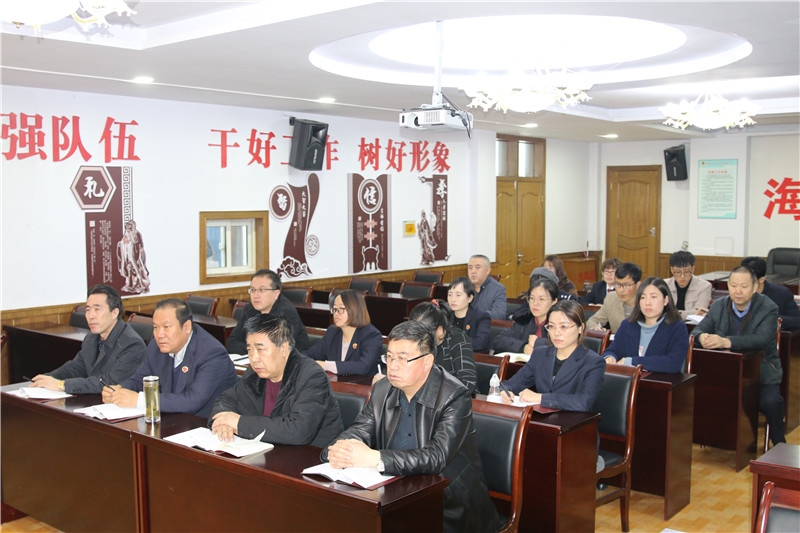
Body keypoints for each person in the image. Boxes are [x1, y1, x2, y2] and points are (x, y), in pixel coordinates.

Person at [322, 320, 500, 533]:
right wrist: (337, 450)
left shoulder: (454, 396)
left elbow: (436, 457)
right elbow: (359, 429)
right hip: (396, 493)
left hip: (447, 503)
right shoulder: (382, 389)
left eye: (403, 358)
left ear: (427, 362)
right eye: (389, 357)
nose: (393, 366)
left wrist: (375, 458)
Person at [209, 314, 344, 447]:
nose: (254, 358)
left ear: (283, 349)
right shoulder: (254, 373)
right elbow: (225, 400)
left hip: (311, 455)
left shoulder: (312, 376)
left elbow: (298, 430)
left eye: (260, 349)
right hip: (268, 450)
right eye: (250, 350)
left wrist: (239, 423)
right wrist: (223, 422)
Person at [692, 266, 784, 446]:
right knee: (701, 394)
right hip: (726, 374)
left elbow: (762, 339)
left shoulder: (768, 307)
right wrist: (702, 337)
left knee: (772, 402)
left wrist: (726, 342)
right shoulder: (719, 305)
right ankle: (713, 438)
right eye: (733, 286)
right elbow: (697, 331)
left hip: (761, 373)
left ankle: (779, 444)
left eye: (744, 286)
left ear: (755, 287)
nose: (738, 291)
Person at [102, 298, 238, 418]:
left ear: (187, 327)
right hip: (172, 420)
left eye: (166, 327)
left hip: (206, 426)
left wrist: (140, 400)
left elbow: (192, 401)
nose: (159, 334)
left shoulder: (212, 353)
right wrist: (119, 390)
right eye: (155, 327)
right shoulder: (156, 346)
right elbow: (140, 379)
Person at [30, 284, 145, 393]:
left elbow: (111, 382)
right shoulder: (92, 337)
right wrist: (48, 378)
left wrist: (61, 385)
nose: (91, 316)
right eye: (88, 310)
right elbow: (76, 368)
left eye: (97, 309)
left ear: (114, 313)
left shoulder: (132, 344)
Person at [500, 300, 605, 411]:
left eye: (563, 327)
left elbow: (583, 402)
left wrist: (541, 398)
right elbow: (513, 383)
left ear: (580, 328)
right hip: (541, 418)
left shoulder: (593, 362)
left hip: (575, 420)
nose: (556, 333)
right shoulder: (540, 354)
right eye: (551, 326)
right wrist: (505, 391)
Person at [603, 277, 690, 373]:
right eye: (643, 297)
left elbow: (673, 363)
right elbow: (612, 350)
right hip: (628, 380)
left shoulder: (677, 328)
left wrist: (633, 362)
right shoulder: (628, 325)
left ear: (665, 300)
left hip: (658, 381)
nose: (647, 303)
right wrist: (610, 357)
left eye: (653, 297)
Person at [227, 269, 310, 354]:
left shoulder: (286, 312)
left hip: (293, 359)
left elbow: (277, 350)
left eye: (262, 290)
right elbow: (232, 342)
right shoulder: (249, 309)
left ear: (276, 294)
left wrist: (252, 349)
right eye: (253, 290)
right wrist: (253, 350)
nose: (256, 295)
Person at [305, 289, 383, 376]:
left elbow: (364, 366)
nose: (336, 313)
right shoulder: (333, 332)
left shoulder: (371, 335)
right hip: (335, 383)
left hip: (361, 383)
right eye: (334, 309)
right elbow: (308, 355)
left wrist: (326, 365)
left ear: (355, 310)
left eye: (341, 309)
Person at [406, 300, 478, 393]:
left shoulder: (458, 339)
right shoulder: (411, 341)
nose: (417, 340)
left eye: (422, 335)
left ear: (439, 330)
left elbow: (468, 383)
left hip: (455, 398)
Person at [494, 277, 558, 355]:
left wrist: (537, 342)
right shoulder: (524, 319)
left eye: (541, 299)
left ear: (554, 301)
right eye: (532, 298)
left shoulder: (560, 324)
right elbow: (499, 341)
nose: (535, 303)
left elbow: (564, 347)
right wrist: (523, 347)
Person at [741, 256, 800, 331]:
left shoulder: (781, 294)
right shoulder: (736, 293)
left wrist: (770, 318)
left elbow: (796, 321)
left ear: (761, 280)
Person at [587, 262, 643, 333]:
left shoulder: (646, 303)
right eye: (617, 284)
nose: (621, 290)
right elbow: (592, 321)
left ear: (638, 285)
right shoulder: (611, 298)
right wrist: (596, 328)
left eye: (626, 285)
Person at [447, 276, 491, 352]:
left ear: (470, 298)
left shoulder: (481, 317)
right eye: (450, 294)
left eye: (458, 295)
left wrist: (452, 342)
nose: (453, 299)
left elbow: (480, 343)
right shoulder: (445, 315)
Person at [663, 251, 712, 320]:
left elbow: (699, 312)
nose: (682, 276)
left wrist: (673, 314)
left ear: (693, 269)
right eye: (678, 272)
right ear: (672, 269)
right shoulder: (664, 284)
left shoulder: (704, 286)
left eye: (686, 271)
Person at [467, 254, 507, 320]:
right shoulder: (463, 286)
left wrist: (474, 315)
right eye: (470, 268)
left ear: (488, 271)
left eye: (477, 267)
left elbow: (499, 314)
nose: (473, 271)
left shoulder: (497, 289)